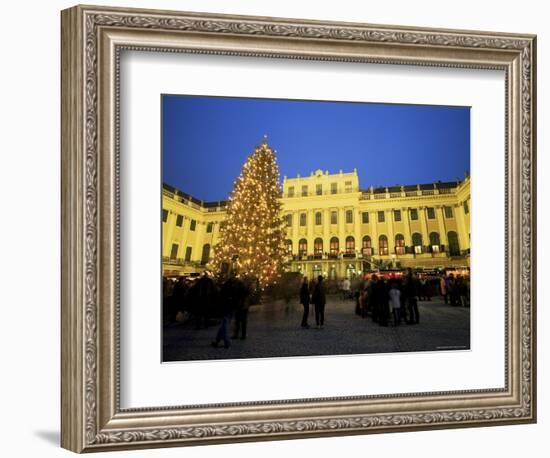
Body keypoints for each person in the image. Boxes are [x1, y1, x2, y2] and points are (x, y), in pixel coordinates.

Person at [212, 273, 246, 348]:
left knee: (224, 325)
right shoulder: (234, 286)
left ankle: (226, 342)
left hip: (226, 307)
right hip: (229, 307)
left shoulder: (228, 286)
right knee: (224, 324)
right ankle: (218, 341)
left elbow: (222, 296)